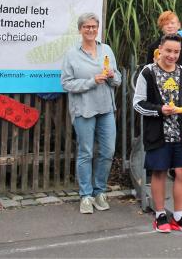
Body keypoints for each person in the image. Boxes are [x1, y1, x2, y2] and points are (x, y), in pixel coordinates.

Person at [133, 34, 182, 233]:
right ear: (160, 49)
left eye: (176, 52)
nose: (172, 55)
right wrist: (160, 109)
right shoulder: (148, 72)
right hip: (157, 132)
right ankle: (160, 214)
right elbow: (138, 104)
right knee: (159, 171)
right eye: (168, 50)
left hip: (180, 132)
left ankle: (179, 215)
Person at [61, 13, 122, 214]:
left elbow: (118, 79)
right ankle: (85, 195)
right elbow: (66, 83)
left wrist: (113, 76)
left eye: (94, 26)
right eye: (86, 27)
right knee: (86, 152)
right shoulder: (72, 54)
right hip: (84, 109)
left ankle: (99, 191)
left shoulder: (106, 49)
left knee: (108, 151)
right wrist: (91, 81)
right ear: (80, 29)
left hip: (106, 108)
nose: (90, 30)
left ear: (98, 29)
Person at [146, 11, 182, 77]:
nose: (170, 26)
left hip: (180, 84)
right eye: (166, 24)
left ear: (179, 25)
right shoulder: (153, 47)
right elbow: (147, 72)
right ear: (161, 27)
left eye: (172, 23)